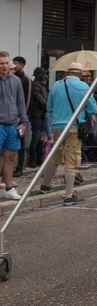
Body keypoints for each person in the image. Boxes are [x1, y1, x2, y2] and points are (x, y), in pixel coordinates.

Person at [40, 62, 97, 206]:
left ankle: (45, 186)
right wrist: (87, 113)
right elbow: (92, 108)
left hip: (57, 126)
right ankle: (69, 195)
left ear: (67, 72)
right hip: (74, 126)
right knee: (72, 159)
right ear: (80, 74)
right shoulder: (83, 86)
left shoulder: (56, 85)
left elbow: (49, 107)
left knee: (56, 156)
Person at [0, 51, 29, 200]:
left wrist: (24, 121)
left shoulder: (16, 80)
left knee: (11, 157)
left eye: (6, 63)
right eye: (1, 63)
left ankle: (8, 188)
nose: (5, 66)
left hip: (13, 124)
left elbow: (21, 102)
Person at [12, 56, 32, 177]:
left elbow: (27, 100)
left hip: (21, 119)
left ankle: (20, 167)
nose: (13, 66)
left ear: (22, 65)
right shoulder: (10, 79)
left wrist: (23, 118)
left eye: (16, 64)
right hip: (9, 117)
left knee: (21, 141)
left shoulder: (26, 80)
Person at [29, 67, 49, 168]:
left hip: (41, 115)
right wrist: (49, 107)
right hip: (37, 115)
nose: (46, 76)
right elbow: (41, 100)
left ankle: (39, 159)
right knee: (36, 138)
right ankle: (33, 159)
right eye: (44, 74)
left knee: (40, 139)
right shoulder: (35, 86)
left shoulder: (42, 86)